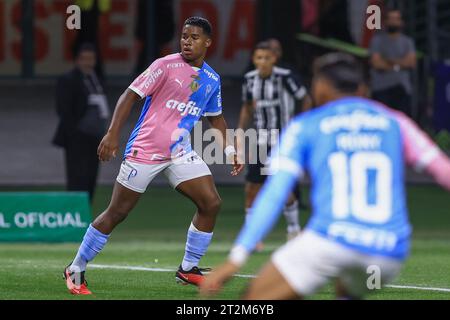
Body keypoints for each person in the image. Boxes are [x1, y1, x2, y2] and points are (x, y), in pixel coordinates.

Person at [200, 52, 450, 299]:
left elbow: (275, 193)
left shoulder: (307, 125)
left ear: (320, 87)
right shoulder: (396, 122)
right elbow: (442, 170)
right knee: (347, 287)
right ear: (363, 89)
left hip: (331, 241)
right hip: (388, 252)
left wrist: (237, 257)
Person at [63, 17, 244, 295]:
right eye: (184, 36)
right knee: (117, 212)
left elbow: (216, 119)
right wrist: (112, 134)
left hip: (179, 151)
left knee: (210, 203)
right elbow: (130, 95)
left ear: (208, 42)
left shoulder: (211, 79)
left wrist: (231, 149)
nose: (186, 41)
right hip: (145, 150)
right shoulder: (164, 65)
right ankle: (76, 268)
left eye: (194, 37)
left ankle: (188, 268)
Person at [238, 41, 308, 244]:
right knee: (252, 187)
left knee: (282, 187)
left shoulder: (285, 78)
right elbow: (247, 107)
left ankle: (294, 230)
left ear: (274, 59)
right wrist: (240, 132)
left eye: (267, 58)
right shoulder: (250, 80)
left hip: (283, 141)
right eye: (259, 58)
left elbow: (305, 99)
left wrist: (300, 126)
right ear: (254, 60)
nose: (263, 62)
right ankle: (252, 236)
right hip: (261, 140)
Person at [53, 43, 109, 202]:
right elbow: (63, 109)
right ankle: (74, 210)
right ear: (77, 60)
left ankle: (86, 208)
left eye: (91, 59)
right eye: (84, 59)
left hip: (95, 137)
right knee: (77, 176)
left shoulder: (96, 79)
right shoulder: (68, 80)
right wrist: (75, 132)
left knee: (91, 175)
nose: (88, 63)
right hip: (77, 137)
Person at [369, 9, 417, 116]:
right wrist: (400, 64)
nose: (393, 22)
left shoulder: (408, 42)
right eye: (390, 19)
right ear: (385, 22)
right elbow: (377, 64)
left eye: (396, 19)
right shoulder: (377, 40)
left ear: (401, 22)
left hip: (403, 89)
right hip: (381, 89)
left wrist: (389, 61)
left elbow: (411, 62)